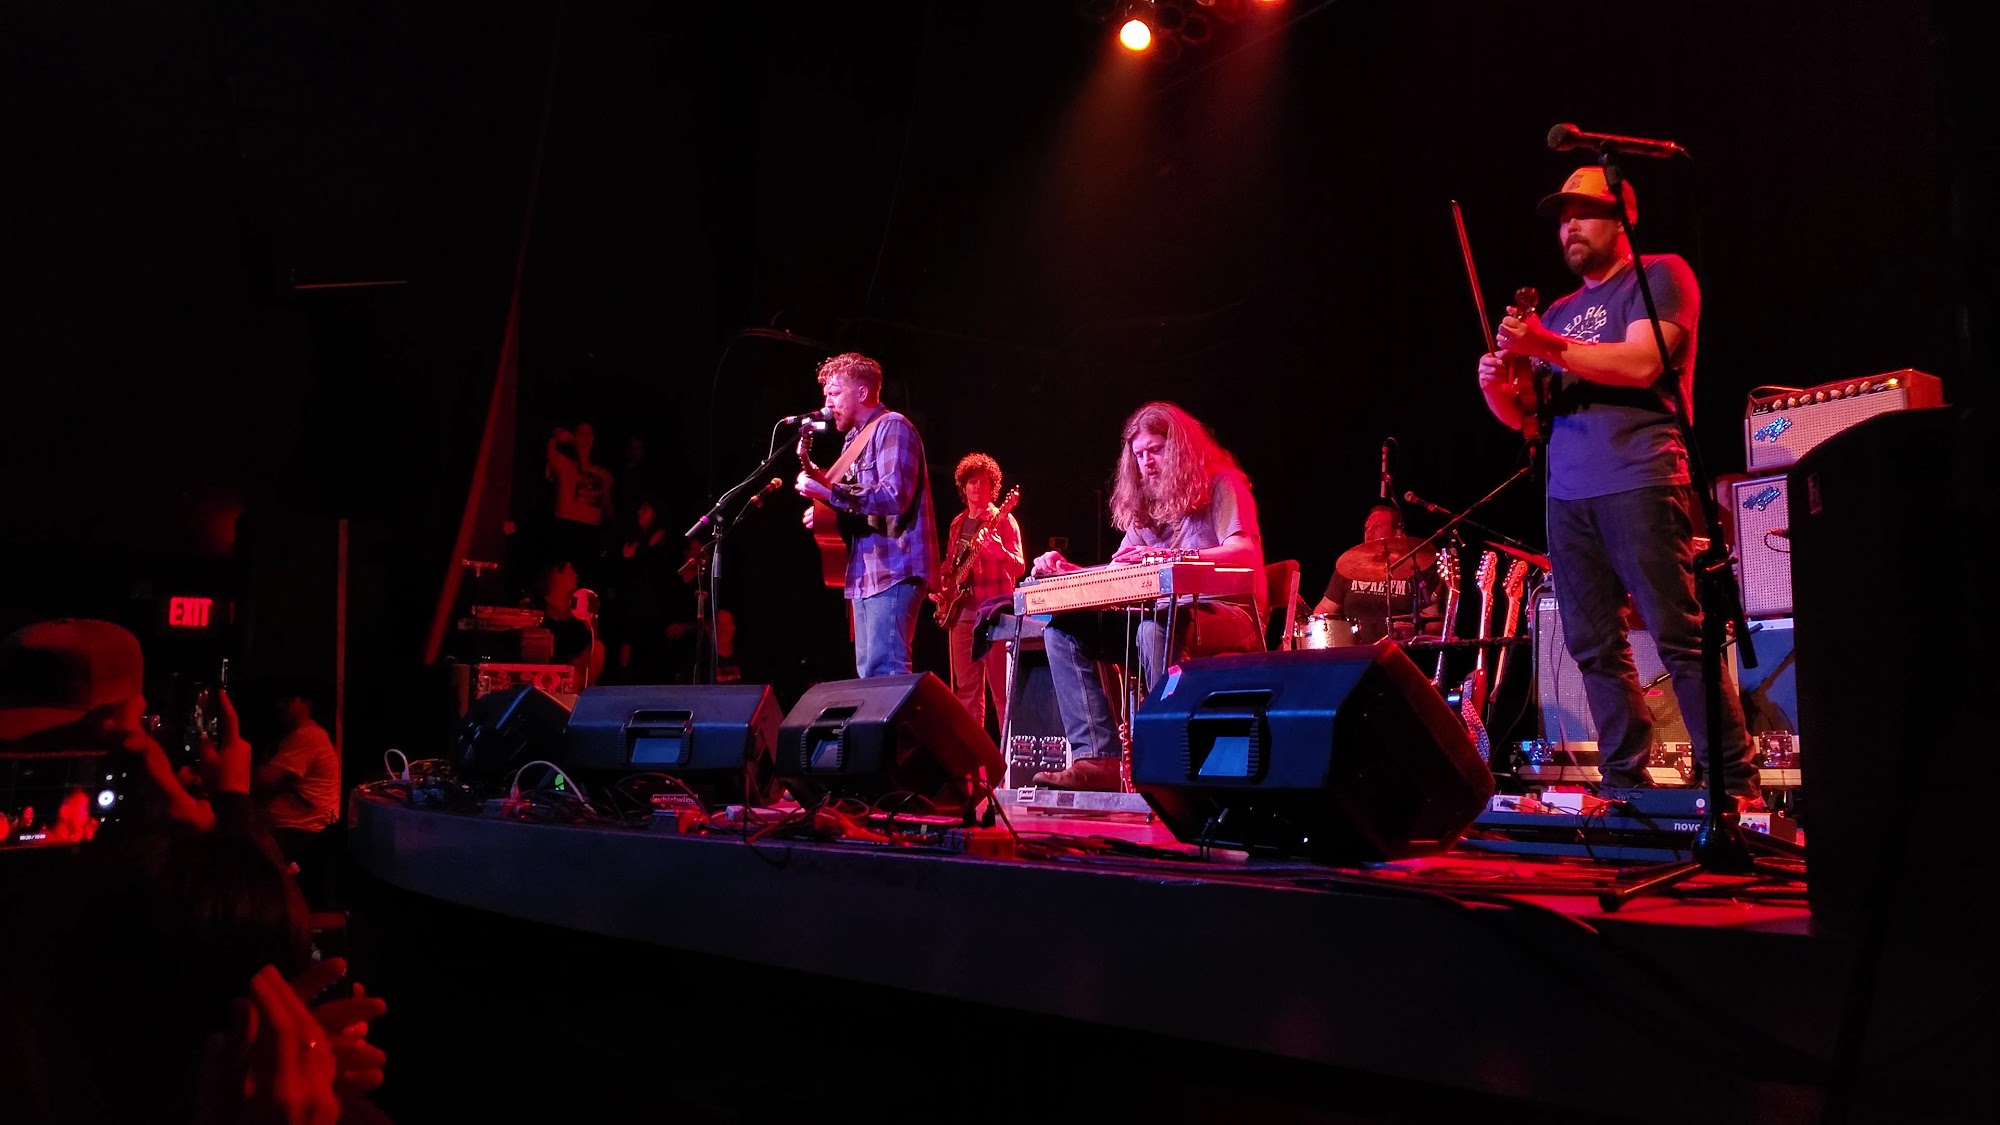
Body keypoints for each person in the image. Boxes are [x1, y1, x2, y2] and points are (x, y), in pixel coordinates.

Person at [1477, 165, 1760, 806]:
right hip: (1567, 494)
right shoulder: (1559, 311)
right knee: (1593, 646)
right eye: (1562, 218)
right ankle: (1625, 784)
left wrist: (1545, 345)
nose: (1569, 227)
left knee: (1677, 635)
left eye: (1583, 212)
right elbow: (1527, 416)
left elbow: (1641, 361)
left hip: (1640, 476)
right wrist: (1496, 384)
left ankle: (1732, 784)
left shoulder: (1660, 275)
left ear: (1623, 216)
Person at [1027, 402, 1265, 791]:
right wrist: (1068, 571)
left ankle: (1171, 757)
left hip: (1229, 615)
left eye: (1155, 450)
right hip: (1165, 617)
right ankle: (1096, 758)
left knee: (1152, 632)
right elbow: (1120, 571)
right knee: (1062, 631)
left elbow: (1245, 553)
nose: (1146, 462)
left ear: (1180, 450)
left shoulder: (1222, 485)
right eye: (1139, 455)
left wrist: (1173, 557)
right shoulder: (1148, 505)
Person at [794, 352, 938, 678]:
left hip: (895, 567)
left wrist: (828, 493)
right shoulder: (852, 440)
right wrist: (825, 506)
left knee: (886, 672)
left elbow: (893, 495)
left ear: (862, 392)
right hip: (865, 572)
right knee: (870, 676)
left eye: (835, 393)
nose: (828, 404)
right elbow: (854, 499)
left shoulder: (893, 427)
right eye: (826, 395)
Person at [933, 453, 1025, 733]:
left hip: (994, 616)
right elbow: (949, 566)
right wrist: (940, 589)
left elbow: (1019, 567)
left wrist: (998, 551)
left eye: (984, 482)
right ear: (964, 486)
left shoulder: (1004, 521)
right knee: (966, 693)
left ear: (993, 487)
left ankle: (1007, 753)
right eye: (972, 481)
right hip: (961, 615)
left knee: (1002, 693)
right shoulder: (957, 523)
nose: (977, 487)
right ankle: (973, 757)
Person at [251, 679, 342, 889]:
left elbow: (263, 780)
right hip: (294, 830)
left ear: (306, 702)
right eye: (280, 700)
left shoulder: (308, 735)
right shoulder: (295, 736)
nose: (281, 705)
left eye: (289, 699)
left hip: (300, 833)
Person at [1312, 502, 1443, 647]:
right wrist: (1314, 622)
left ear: (1397, 532)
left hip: (1400, 650)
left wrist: (1415, 629)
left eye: (1377, 527)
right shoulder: (1349, 566)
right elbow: (1324, 609)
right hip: (1354, 652)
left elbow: (1436, 625)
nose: (1369, 532)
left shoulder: (1418, 566)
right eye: (1367, 528)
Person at [544, 420, 613, 585]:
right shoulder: (564, 463)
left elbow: (609, 511)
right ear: (574, 437)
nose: (586, 438)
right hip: (566, 529)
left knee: (586, 582)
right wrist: (557, 436)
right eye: (582, 434)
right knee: (562, 580)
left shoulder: (602, 474)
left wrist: (605, 490)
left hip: (591, 534)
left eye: (589, 434)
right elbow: (550, 453)